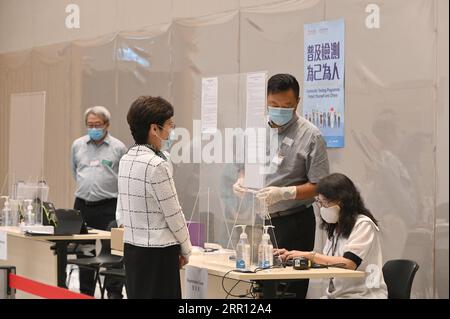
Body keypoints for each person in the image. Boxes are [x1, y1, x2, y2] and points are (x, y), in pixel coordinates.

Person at [233, 73, 330, 298]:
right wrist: (241, 180)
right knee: (261, 286)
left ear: (297, 101)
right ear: (266, 101)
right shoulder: (256, 130)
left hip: (294, 219)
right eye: (274, 105)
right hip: (260, 219)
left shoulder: (311, 136)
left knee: (289, 288)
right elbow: (244, 165)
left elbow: (320, 185)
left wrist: (285, 192)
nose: (279, 110)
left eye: (286, 105)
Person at [116, 96, 192, 299]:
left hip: (132, 249)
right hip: (158, 254)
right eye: (169, 125)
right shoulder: (155, 165)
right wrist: (186, 248)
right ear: (154, 129)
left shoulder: (126, 159)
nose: (171, 131)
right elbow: (173, 213)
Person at [276, 173, 388, 299]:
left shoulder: (363, 225)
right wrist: (292, 255)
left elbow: (349, 264)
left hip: (363, 295)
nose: (323, 208)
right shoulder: (336, 228)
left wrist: (310, 255)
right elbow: (326, 262)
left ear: (343, 201)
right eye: (320, 202)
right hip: (338, 295)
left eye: (326, 203)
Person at [71, 105, 127, 298]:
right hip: (83, 205)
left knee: (115, 249)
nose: (93, 128)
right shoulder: (78, 145)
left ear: (107, 125)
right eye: (89, 125)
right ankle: (85, 292)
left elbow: (124, 177)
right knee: (84, 250)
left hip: (110, 205)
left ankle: (114, 292)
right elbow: (75, 171)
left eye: (97, 125)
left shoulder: (118, 148)